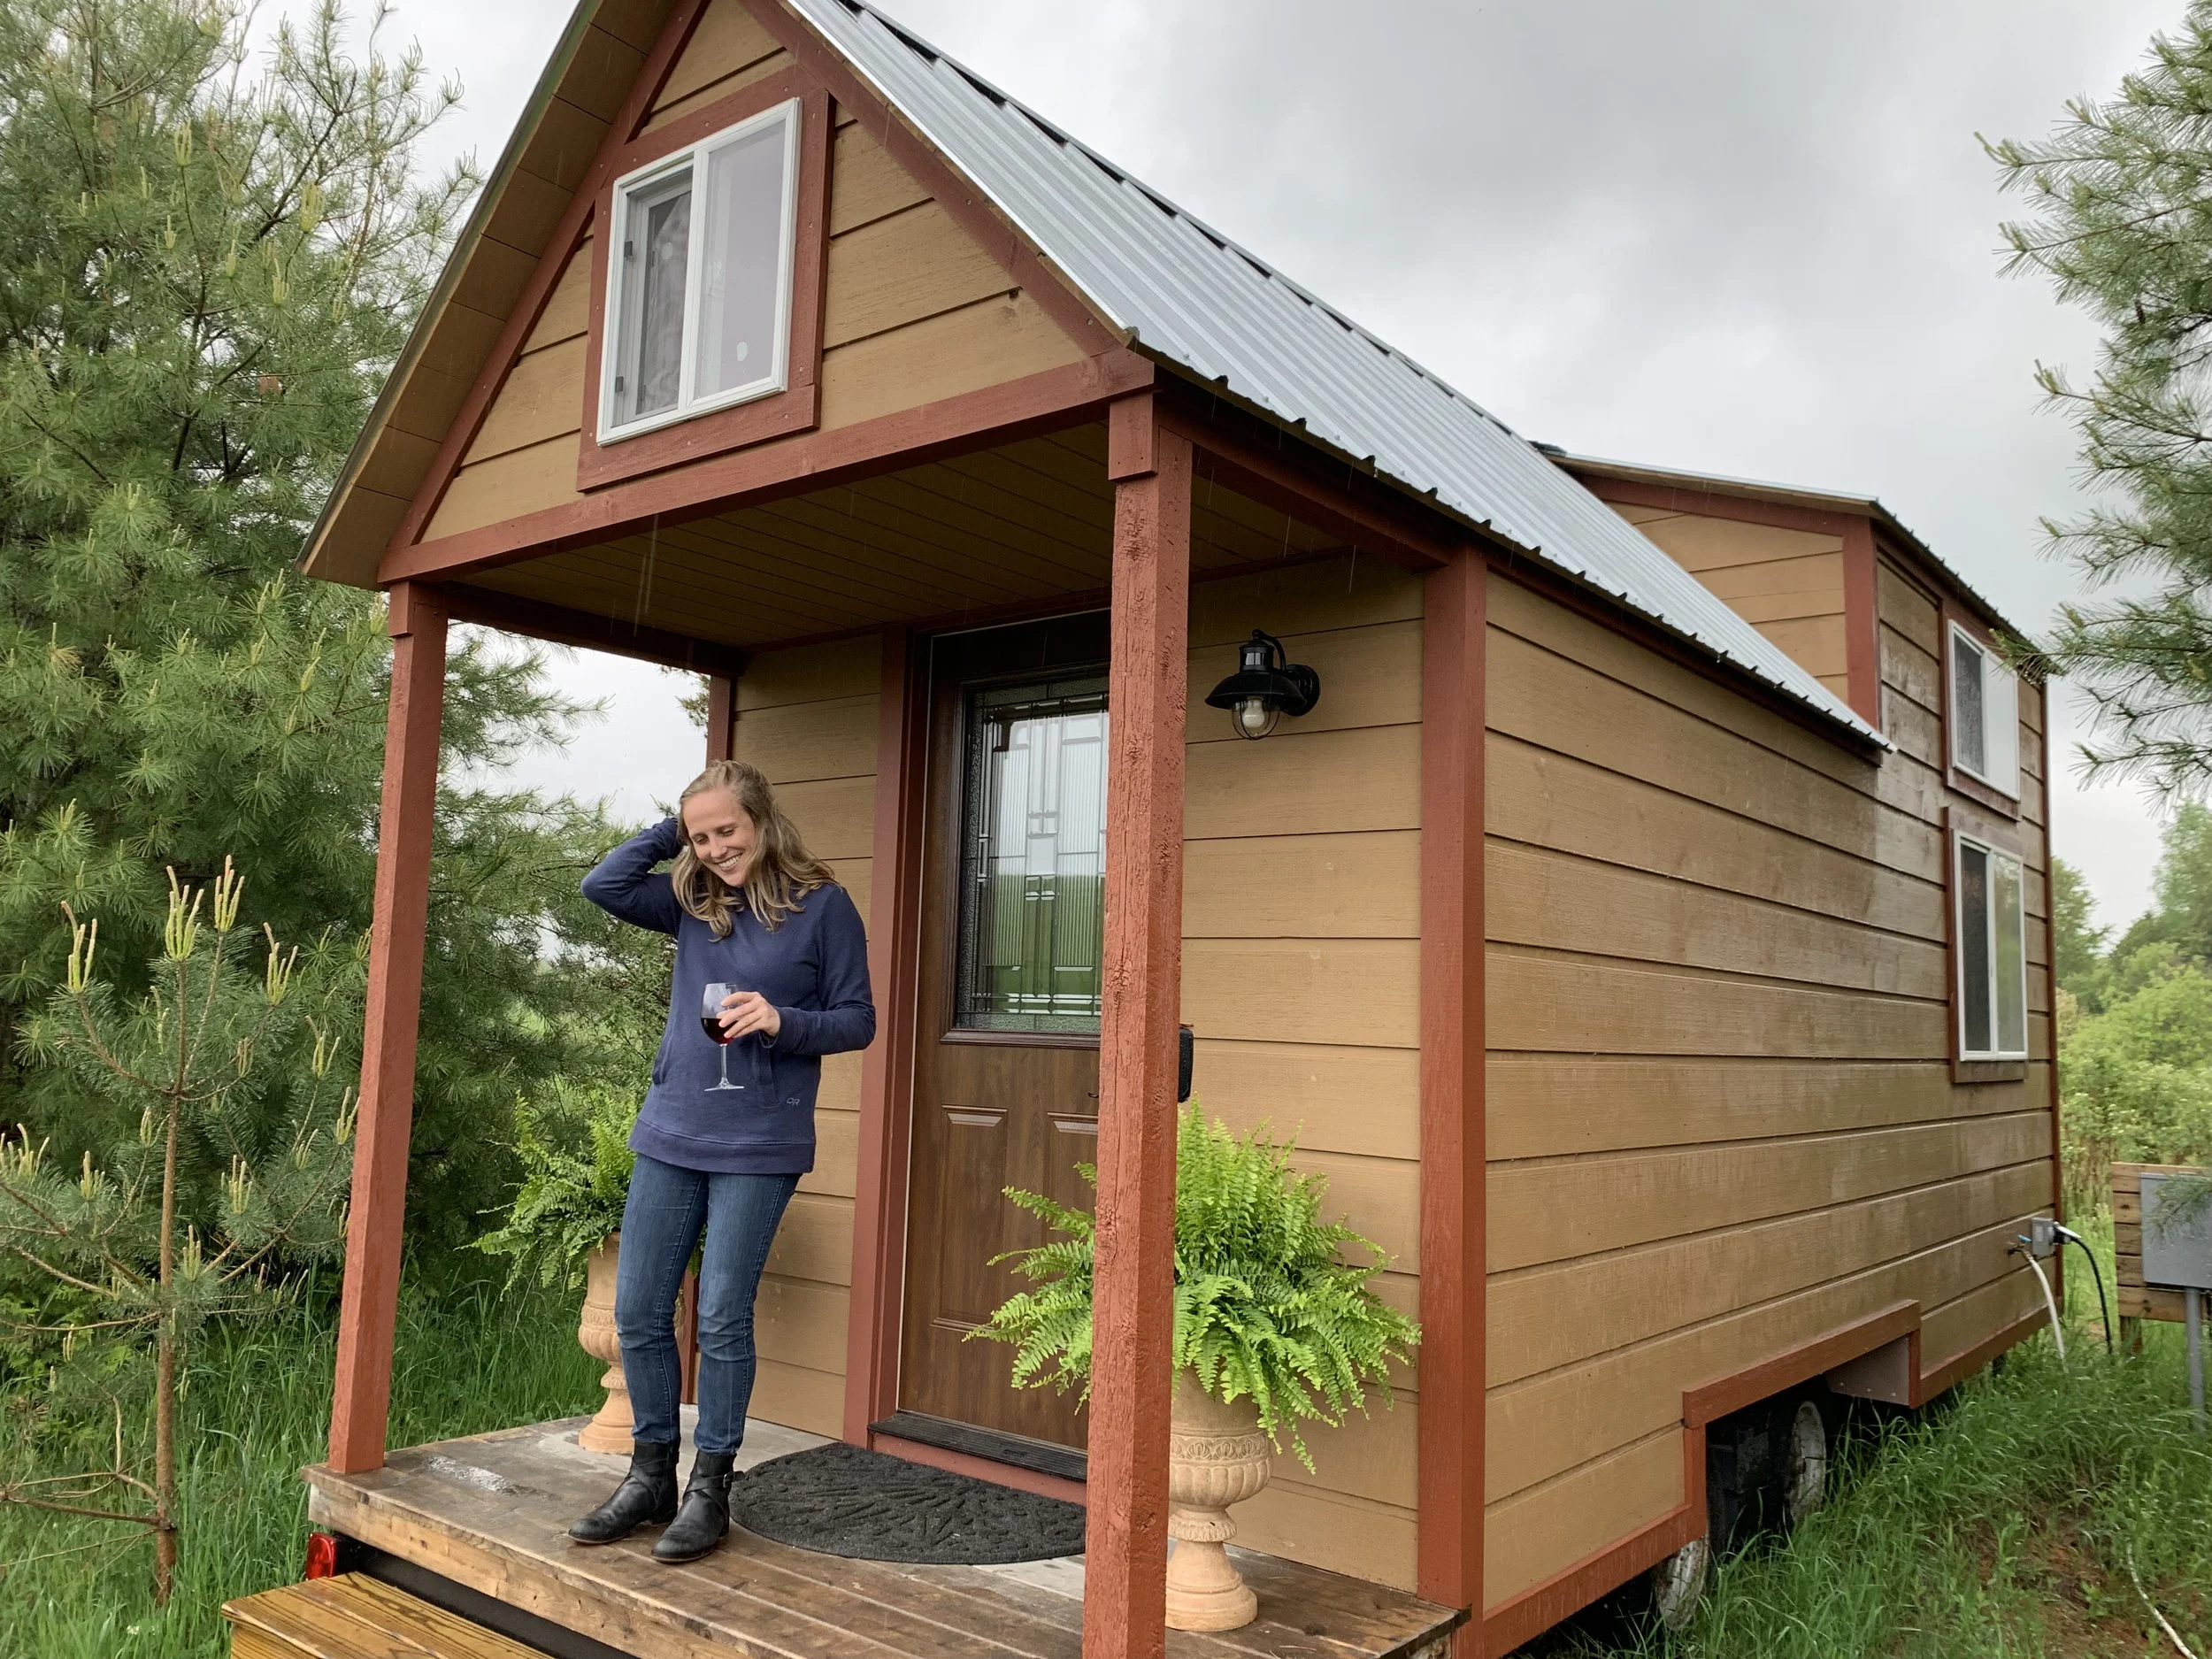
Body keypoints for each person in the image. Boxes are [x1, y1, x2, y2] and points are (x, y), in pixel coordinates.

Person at [566, 759, 875, 1563]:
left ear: (763, 821)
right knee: (638, 1309)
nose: (715, 848)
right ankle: (649, 1475)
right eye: (700, 837)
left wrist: (782, 1018)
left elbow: (857, 1020)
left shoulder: (824, 907)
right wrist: (679, 827)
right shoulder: (694, 902)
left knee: (720, 1316)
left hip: (761, 1140)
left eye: (726, 830)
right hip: (672, 1129)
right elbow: (603, 884)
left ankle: (712, 1486)